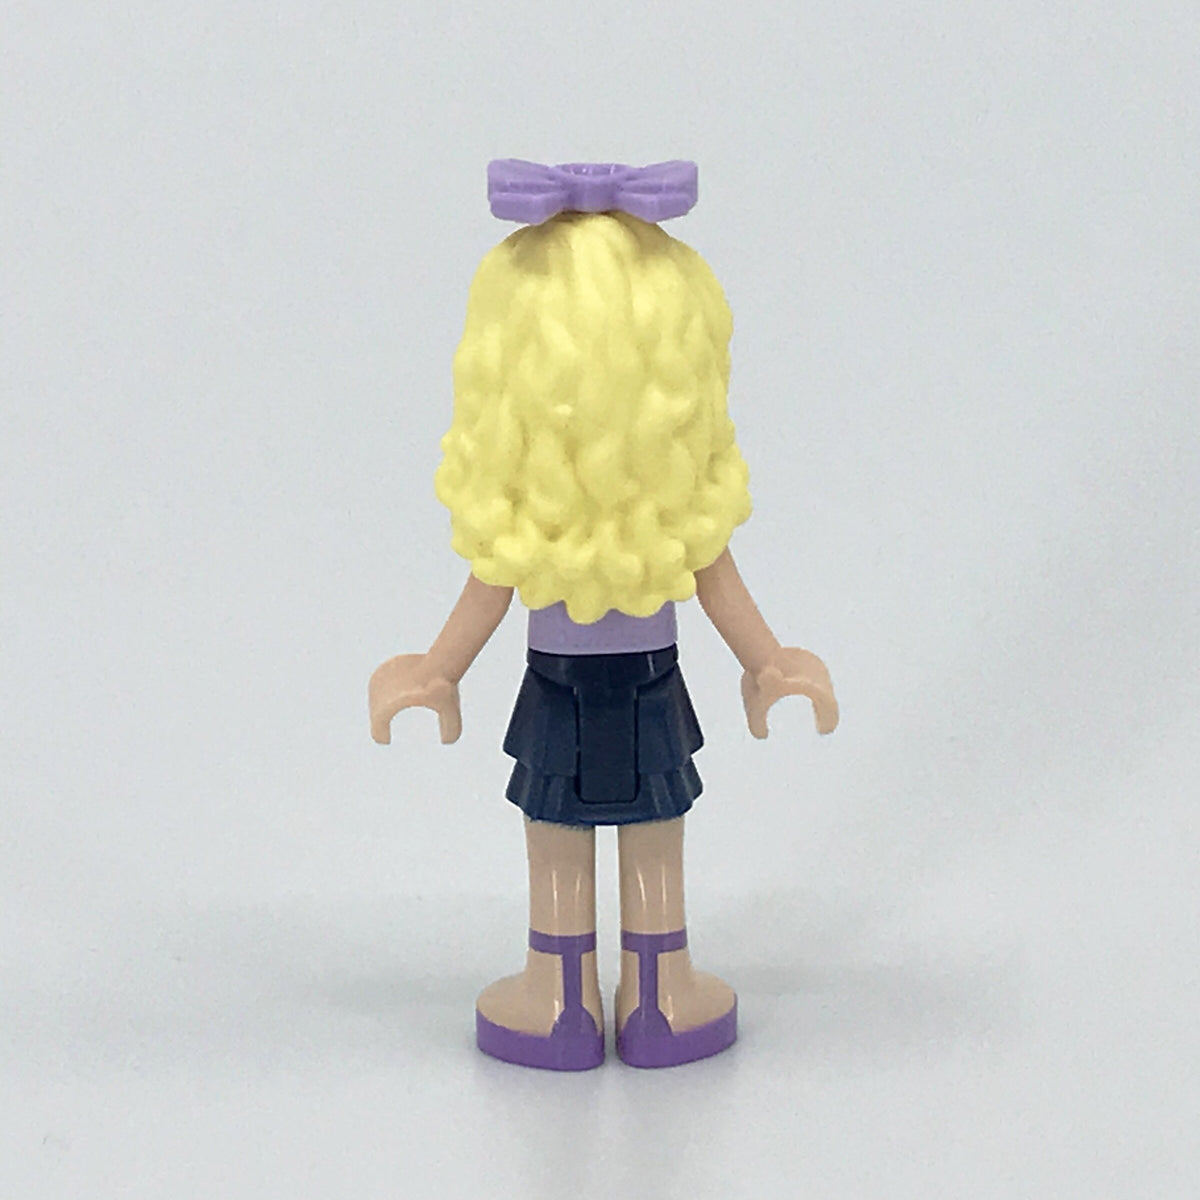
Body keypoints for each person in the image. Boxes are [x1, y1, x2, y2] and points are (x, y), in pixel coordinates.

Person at [369, 160, 838, 1070]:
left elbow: (490, 586)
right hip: (651, 685)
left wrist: (436, 672)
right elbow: (714, 574)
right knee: (655, 831)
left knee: (558, 839)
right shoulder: (668, 515)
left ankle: (561, 1001)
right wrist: (768, 663)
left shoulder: (529, 519)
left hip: (557, 688)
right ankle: (662, 999)